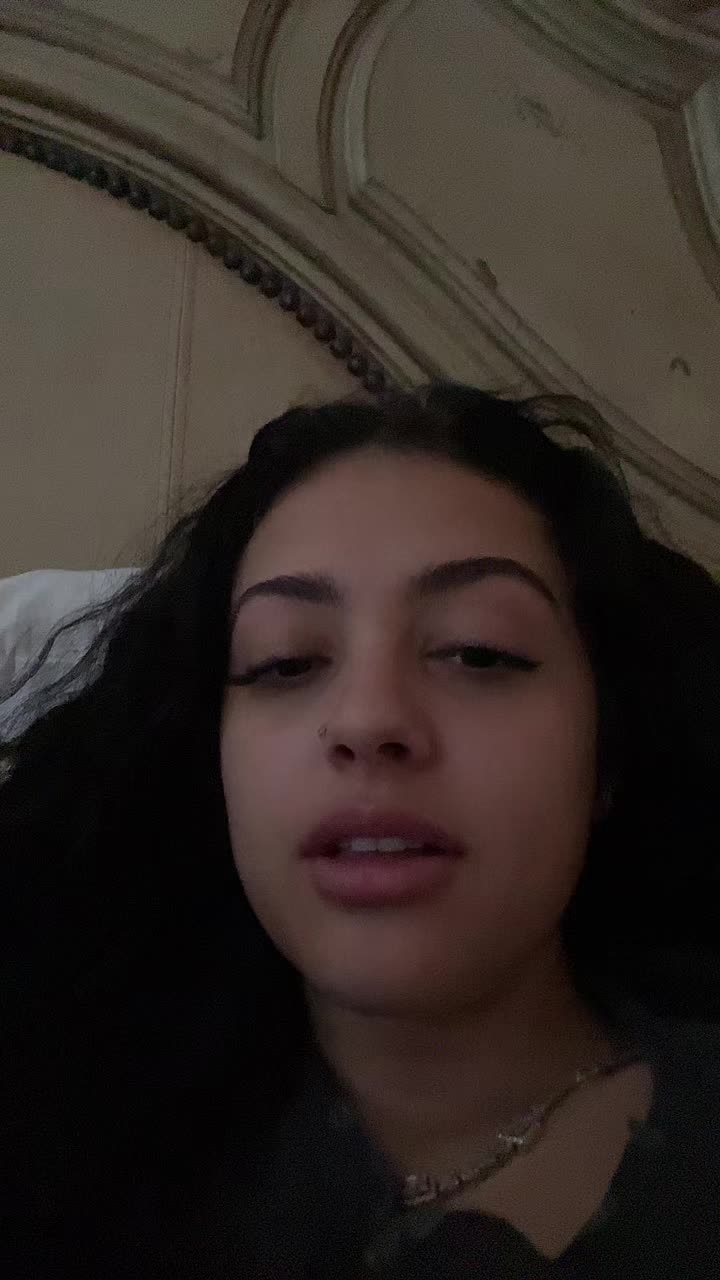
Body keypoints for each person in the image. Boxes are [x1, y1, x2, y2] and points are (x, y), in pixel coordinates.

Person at [1, 383, 718, 1279]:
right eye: (286, 662)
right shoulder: (51, 1125)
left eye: (479, 651)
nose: (368, 718)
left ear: (607, 752)